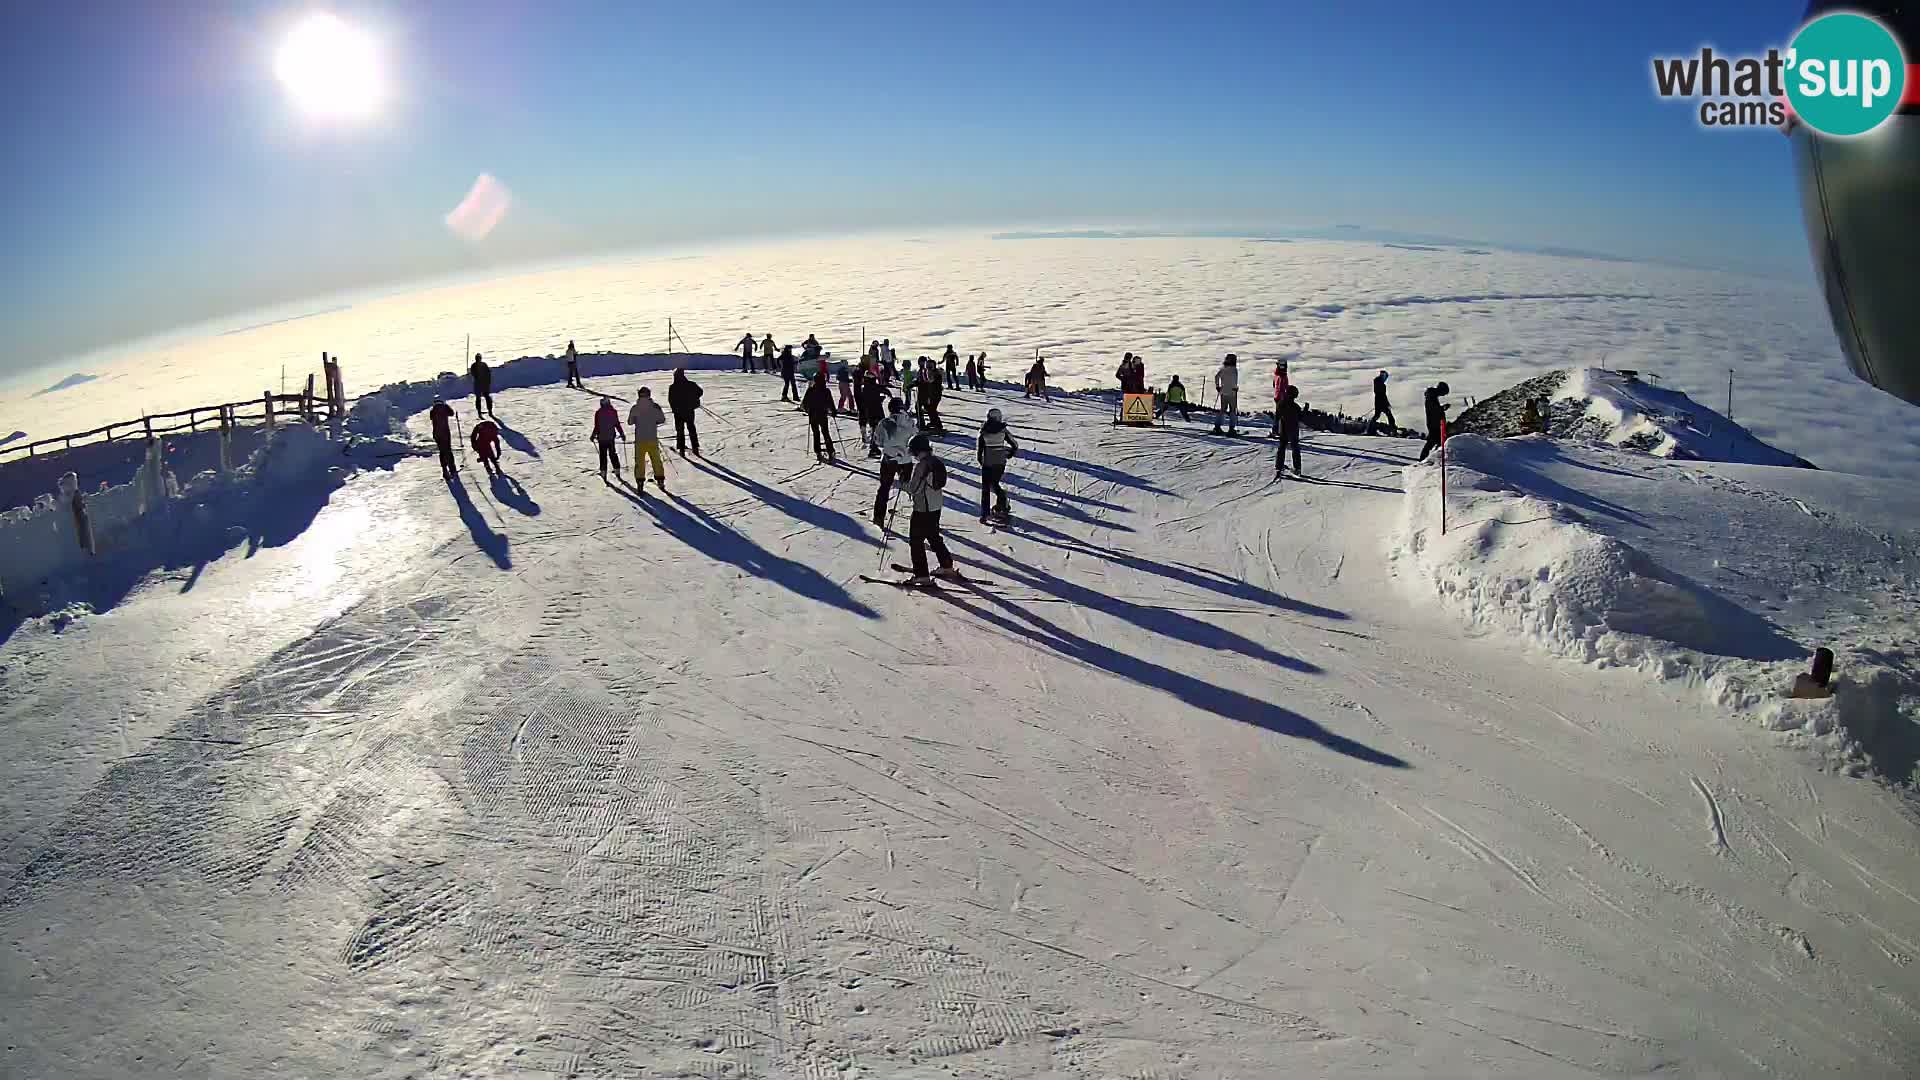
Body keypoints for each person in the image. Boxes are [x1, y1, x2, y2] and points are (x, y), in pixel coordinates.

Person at [904, 434, 959, 583]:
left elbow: (913, 488)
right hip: (935, 505)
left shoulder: (922, 465)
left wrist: (904, 482)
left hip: (923, 508)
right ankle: (946, 565)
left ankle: (921, 574)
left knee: (916, 540)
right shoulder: (936, 462)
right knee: (933, 536)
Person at [872, 399, 919, 525]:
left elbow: (878, 441)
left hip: (889, 459)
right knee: (909, 486)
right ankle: (918, 515)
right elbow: (916, 438)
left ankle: (878, 517)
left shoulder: (885, 423)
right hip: (905, 460)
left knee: (884, 488)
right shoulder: (909, 422)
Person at [975, 406, 1018, 524]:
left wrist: (980, 459)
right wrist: (1009, 454)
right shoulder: (1003, 430)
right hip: (999, 462)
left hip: (987, 462)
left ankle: (984, 514)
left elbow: (980, 448)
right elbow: (1015, 445)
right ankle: (1002, 506)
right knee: (995, 484)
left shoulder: (983, 430)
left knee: (986, 488)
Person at [627, 387, 668, 491]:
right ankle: (660, 481)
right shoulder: (655, 407)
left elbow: (630, 422)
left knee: (640, 462)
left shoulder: (635, 408)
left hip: (640, 439)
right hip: (652, 438)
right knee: (656, 460)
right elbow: (662, 419)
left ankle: (640, 483)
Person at [667, 368, 703, 456]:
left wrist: (674, 408)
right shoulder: (690, 384)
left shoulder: (673, 387)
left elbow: (670, 399)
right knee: (691, 428)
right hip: (689, 411)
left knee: (680, 430)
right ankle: (695, 448)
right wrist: (694, 398)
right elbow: (700, 392)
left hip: (678, 412)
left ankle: (682, 450)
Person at [802, 374, 838, 461]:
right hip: (822, 414)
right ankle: (830, 451)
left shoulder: (810, 390)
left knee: (816, 433)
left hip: (813, 415)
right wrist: (833, 412)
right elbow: (831, 402)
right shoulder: (826, 391)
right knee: (825, 433)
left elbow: (805, 403)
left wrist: (807, 410)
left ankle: (818, 452)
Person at [591, 395, 625, 479]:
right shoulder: (613, 411)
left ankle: (603, 473)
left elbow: (597, 426)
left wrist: (593, 435)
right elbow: (617, 424)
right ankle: (617, 471)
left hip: (602, 437)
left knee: (603, 456)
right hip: (610, 437)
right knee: (612, 454)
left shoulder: (598, 412)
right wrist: (622, 434)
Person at [1275, 385, 1304, 478]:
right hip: (1293, 429)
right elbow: (1301, 417)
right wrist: (1306, 410)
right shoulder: (1295, 406)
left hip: (1283, 428)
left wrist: (1275, 428)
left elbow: (1277, 416)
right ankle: (1297, 468)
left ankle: (1279, 467)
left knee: (1282, 447)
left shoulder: (1281, 404)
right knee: (1295, 447)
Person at [856, 367, 887, 455]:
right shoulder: (872, 387)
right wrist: (882, 398)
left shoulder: (864, 388)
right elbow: (880, 392)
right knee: (876, 428)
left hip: (869, 411)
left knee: (874, 428)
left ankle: (874, 447)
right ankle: (873, 447)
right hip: (876, 410)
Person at [1419, 381, 1451, 460]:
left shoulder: (1432, 395)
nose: (1443, 395)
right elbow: (1433, 409)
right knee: (1433, 442)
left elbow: (1434, 408)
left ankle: (1428, 459)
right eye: (1444, 393)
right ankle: (1425, 459)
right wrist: (1443, 408)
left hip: (1434, 423)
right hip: (1434, 423)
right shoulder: (1431, 396)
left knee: (1435, 442)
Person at [429, 397, 457, 477]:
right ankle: (452, 469)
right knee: (448, 450)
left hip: (436, 433)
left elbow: (431, 418)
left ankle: (444, 469)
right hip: (445, 432)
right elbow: (451, 413)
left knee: (442, 451)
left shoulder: (433, 410)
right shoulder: (445, 408)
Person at [919, 358, 945, 433]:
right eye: (927, 366)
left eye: (930, 366)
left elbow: (930, 381)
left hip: (935, 394)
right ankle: (933, 422)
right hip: (931, 394)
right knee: (929, 409)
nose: (928, 368)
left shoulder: (935, 373)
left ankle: (938, 425)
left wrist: (925, 375)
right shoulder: (929, 372)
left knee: (932, 410)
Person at [1367, 370, 1396, 435]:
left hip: (1378, 402)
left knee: (1377, 416)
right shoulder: (1380, 384)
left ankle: (1370, 429)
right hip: (1381, 402)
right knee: (1389, 416)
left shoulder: (1378, 382)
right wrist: (1387, 403)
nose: (1385, 379)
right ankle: (1393, 430)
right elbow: (1382, 395)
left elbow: (1380, 394)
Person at [1267, 360, 1291, 436]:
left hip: (1277, 397)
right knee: (1280, 416)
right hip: (1282, 398)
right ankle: (1278, 431)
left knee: (1279, 415)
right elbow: (1283, 388)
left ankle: (1278, 431)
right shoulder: (1282, 376)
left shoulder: (1276, 375)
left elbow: (1275, 386)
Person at [469, 352, 494, 418]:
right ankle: (484, 412)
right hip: (481, 384)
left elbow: (488, 374)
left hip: (480, 384)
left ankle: (485, 412)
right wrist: (488, 382)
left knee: (482, 398)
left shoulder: (475, 365)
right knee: (482, 398)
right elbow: (488, 374)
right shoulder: (479, 365)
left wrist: (488, 382)